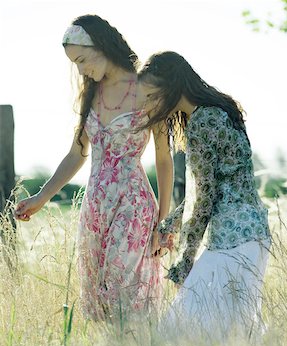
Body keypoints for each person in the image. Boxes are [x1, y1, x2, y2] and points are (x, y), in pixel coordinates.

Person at [15, 16, 173, 322]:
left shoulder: (148, 88)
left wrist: (162, 225)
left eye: (83, 60)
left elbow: (164, 160)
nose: (80, 69)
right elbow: (77, 153)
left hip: (133, 205)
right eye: (74, 63)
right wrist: (41, 197)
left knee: (124, 291)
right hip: (95, 208)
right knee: (99, 298)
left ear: (101, 46)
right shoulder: (91, 94)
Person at [138, 51, 271, 343]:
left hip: (232, 240)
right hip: (253, 233)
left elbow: (205, 198)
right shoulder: (219, 111)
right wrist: (170, 223)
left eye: (150, 96)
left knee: (181, 330)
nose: (147, 106)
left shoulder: (202, 122)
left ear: (170, 86)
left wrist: (185, 261)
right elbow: (212, 189)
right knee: (235, 332)